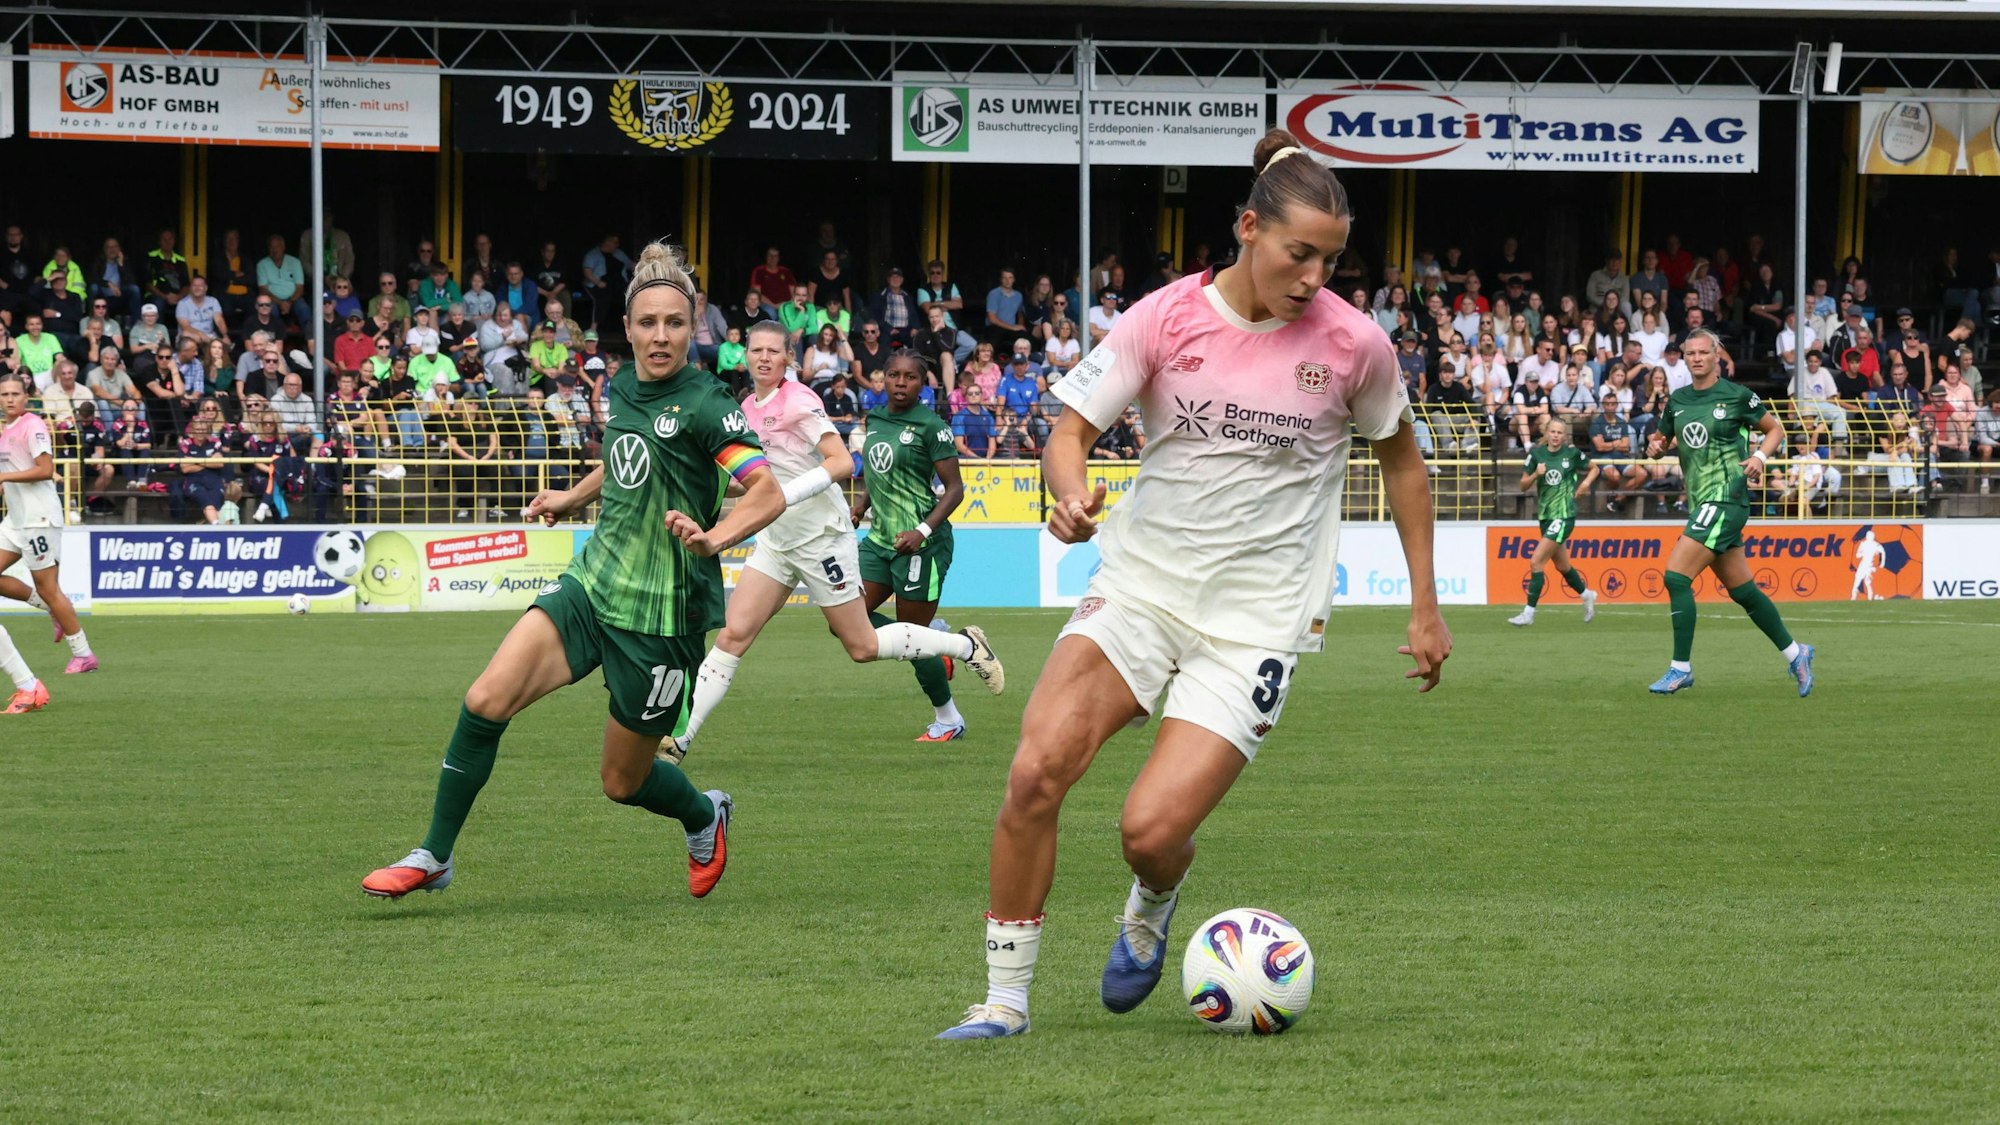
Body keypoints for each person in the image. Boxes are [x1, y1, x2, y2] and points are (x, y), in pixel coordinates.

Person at [936, 129, 1449, 1041]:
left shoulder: (1356, 345)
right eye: (1300, 253)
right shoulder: (1164, 316)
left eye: (1331, 259)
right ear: (1249, 228)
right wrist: (1066, 495)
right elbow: (1068, 431)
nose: (1314, 277)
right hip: (1139, 587)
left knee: (1148, 830)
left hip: (1257, 623)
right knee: (1034, 770)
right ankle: (1004, 1003)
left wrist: (1424, 604)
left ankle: (1154, 895)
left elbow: (1405, 466)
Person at [361, 239, 787, 901]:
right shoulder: (624, 387)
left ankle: (705, 813)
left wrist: (714, 537)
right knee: (484, 700)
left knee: (623, 782)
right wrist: (571, 495)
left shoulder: (710, 406)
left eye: (675, 322)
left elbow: (766, 491)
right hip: (592, 586)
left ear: (694, 325)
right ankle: (435, 854)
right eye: (648, 322)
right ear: (628, 328)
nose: (661, 334)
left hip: (661, 619)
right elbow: (624, 459)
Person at [666, 324, 1004, 763]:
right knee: (733, 634)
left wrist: (781, 497)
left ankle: (964, 647)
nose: (764, 358)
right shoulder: (746, 407)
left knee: (861, 647)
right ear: (743, 355)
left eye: (774, 350)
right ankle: (682, 740)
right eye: (756, 350)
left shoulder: (801, 401)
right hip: (777, 541)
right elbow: (752, 482)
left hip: (821, 540)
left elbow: (842, 462)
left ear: (789, 356)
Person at [1642, 329, 1813, 697]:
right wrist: (1656, 449)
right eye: (1691, 353)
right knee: (1744, 591)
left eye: (1704, 352)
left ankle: (1680, 668)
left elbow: (1774, 429)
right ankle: (1796, 653)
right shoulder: (1678, 401)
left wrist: (1759, 457)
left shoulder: (1737, 396)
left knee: (1675, 577)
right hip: (1701, 502)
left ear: (1716, 355)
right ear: (1684, 357)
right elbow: (1662, 441)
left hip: (1727, 498)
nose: (1697, 358)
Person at [849, 350, 979, 742]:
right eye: (893, 375)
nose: (900, 383)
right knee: (847, 622)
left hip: (921, 545)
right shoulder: (876, 419)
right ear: (882, 379)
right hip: (878, 540)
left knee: (911, 638)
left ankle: (948, 719)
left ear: (923, 383)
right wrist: (861, 504)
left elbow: (955, 490)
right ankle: (936, 641)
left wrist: (921, 531)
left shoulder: (931, 426)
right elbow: (879, 472)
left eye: (909, 377)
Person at [0, 375, 97, 674]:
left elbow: (45, 470)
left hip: (39, 518)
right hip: (16, 519)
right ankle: (51, 611)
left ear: (27, 397)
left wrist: (4, 478)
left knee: (49, 588)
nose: (10, 399)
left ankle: (83, 654)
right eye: (4, 394)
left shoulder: (33, 425)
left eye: (16, 393)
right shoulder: (6, 431)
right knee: (47, 594)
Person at [1508, 416, 1600, 627]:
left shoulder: (1572, 454)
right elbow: (1522, 485)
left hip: (1564, 515)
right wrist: (1535, 476)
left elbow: (1595, 468)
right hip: (1545, 517)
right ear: (1546, 433)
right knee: (1562, 565)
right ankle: (1586, 594)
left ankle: (1528, 613)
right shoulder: (1536, 455)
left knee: (1536, 561)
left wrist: (1585, 484)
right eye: (1553, 432)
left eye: (1560, 432)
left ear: (1564, 435)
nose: (1556, 436)